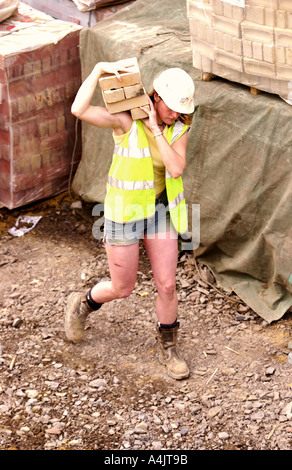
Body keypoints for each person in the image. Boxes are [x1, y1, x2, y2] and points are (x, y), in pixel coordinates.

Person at [65, 60, 195, 380]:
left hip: (159, 211)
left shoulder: (178, 127)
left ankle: (169, 346)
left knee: (166, 284)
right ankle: (83, 303)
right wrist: (97, 71)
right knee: (123, 288)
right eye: (171, 107)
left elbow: (176, 169)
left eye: (181, 109)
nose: (175, 114)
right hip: (125, 213)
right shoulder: (126, 120)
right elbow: (79, 109)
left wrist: (157, 129)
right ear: (156, 97)